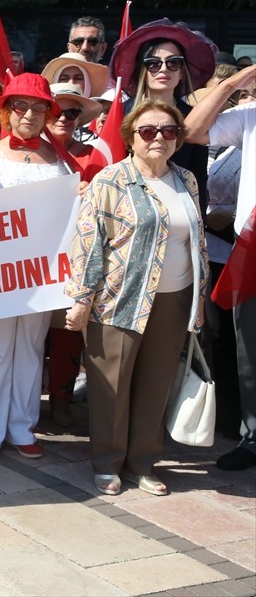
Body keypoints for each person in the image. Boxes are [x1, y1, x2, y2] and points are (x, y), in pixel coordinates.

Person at [66, 100, 208, 495]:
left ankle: (143, 463)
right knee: (112, 383)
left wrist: (198, 298)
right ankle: (108, 464)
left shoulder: (187, 180)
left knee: (156, 383)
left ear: (178, 138)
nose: (159, 138)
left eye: (168, 131)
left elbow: (195, 242)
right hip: (119, 298)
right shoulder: (111, 180)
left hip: (175, 298)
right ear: (131, 138)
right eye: (148, 131)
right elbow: (89, 242)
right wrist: (81, 299)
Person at [0, 74, 69, 461]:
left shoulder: (59, 157)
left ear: (48, 113)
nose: (29, 114)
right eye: (21, 106)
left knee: (30, 348)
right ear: (7, 112)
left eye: (39, 106)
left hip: (42, 273)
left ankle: (22, 426)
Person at [183, 65, 256, 472]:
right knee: (249, 350)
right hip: (252, 249)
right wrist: (230, 84)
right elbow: (191, 129)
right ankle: (253, 437)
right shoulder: (250, 116)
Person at [42, 82, 104, 427]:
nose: (64, 118)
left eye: (72, 112)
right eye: (57, 111)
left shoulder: (92, 157)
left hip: (72, 260)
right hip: (30, 260)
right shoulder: (27, 154)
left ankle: (61, 398)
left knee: (66, 333)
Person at [111, 19, 216, 214]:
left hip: (179, 214)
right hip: (126, 213)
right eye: (153, 64)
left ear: (182, 72)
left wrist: (198, 231)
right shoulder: (119, 114)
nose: (163, 69)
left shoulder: (195, 117)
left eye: (173, 63)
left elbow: (199, 178)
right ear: (142, 70)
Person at [41, 52, 110, 99]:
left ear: (87, 83)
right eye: (64, 79)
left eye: (78, 78)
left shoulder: (100, 118)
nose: (71, 83)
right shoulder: (43, 117)